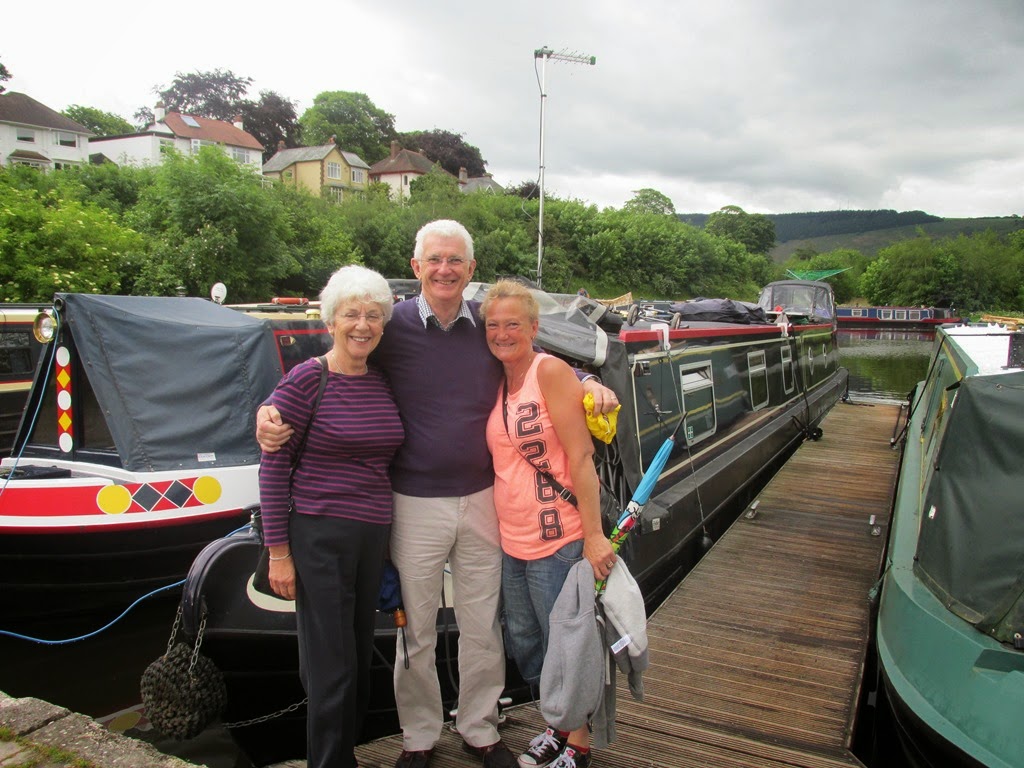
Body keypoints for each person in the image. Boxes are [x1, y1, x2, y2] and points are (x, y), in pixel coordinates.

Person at [258, 220, 619, 768]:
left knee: (482, 623)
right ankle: (419, 736)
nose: (445, 269)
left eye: (456, 260)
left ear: (471, 269)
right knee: (416, 629)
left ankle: (480, 727)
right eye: (435, 260)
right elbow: (334, 361)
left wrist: (587, 383)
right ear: (416, 268)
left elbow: (529, 356)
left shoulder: (486, 324)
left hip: (482, 498)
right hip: (411, 503)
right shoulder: (388, 325)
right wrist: (267, 411)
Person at [259, 265, 404, 768]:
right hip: (318, 534)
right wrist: (279, 553)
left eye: (372, 315)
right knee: (330, 667)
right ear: (331, 321)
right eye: (351, 314)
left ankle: (346, 757)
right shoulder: (306, 379)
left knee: (359, 661)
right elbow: (273, 468)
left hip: (371, 537)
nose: (362, 324)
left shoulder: (382, 381)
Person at [481, 280, 615, 768]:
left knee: (565, 645)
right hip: (511, 540)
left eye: (512, 324)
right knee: (527, 642)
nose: (502, 333)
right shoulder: (496, 380)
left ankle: (577, 743)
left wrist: (595, 535)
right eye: (493, 325)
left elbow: (580, 457)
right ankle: (555, 724)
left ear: (534, 327)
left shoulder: (550, 371)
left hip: (559, 538)